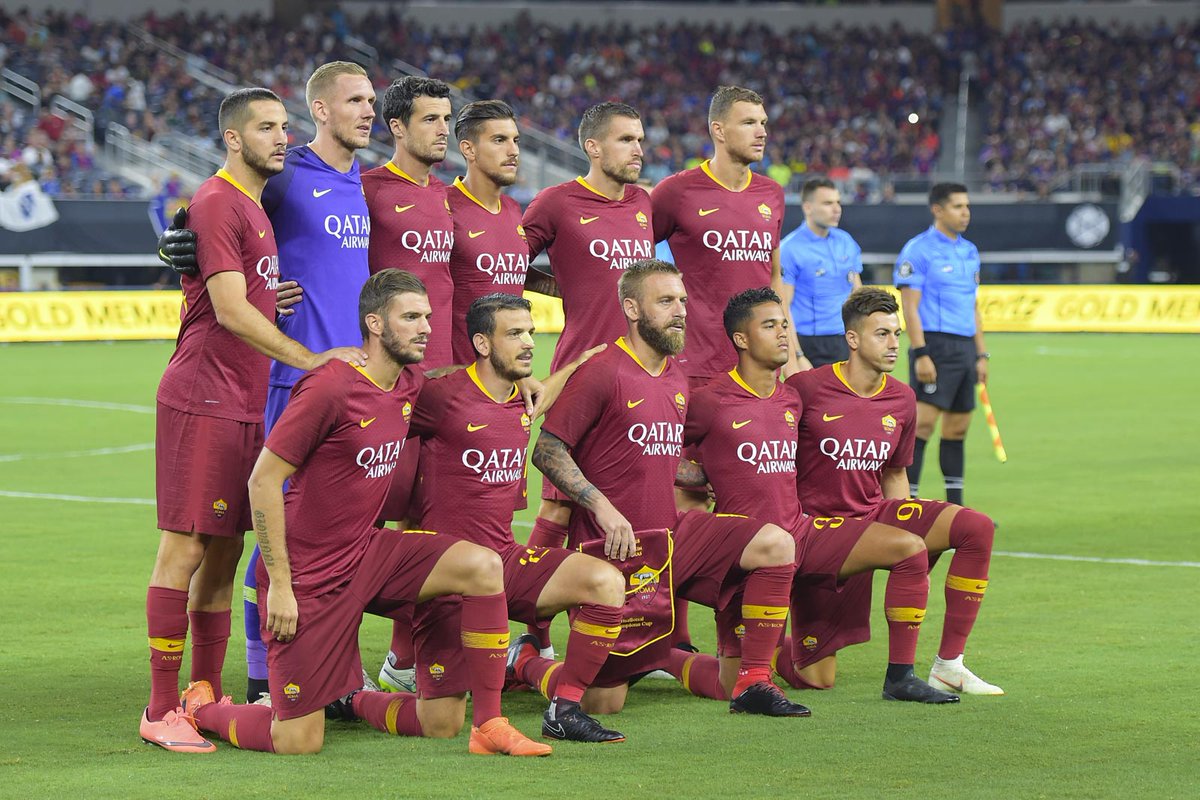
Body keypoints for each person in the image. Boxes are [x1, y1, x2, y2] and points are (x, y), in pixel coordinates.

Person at [177, 269, 550, 757]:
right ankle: (201, 708)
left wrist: (523, 377)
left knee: (481, 566)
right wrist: (282, 585)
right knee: (297, 742)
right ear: (375, 323)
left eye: (427, 318)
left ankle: (489, 724)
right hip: (310, 575)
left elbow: (453, 380)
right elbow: (262, 480)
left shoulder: (409, 383)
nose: (425, 328)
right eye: (411, 317)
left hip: (371, 553)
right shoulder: (331, 387)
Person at [142, 87, 367, 753]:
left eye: (284, 126)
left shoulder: (254, 207)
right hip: (203, 395)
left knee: (224, 550)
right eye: (266, 128)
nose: (281, 137)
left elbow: (250, 293)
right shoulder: (217, 201)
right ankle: (160, 709)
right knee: (184, 547)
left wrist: (271, 293)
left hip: (244, 398)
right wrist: (312, 358)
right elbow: (231, 311)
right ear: (234, 138)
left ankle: (203, 692)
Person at [511, 260, 809, 718]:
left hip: (673, 538)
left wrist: (714, 476)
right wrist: (602, 508)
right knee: (603, 702)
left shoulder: (675, 376)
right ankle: (527, 662)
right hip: (612, 549)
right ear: (632, 308)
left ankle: (754, 681)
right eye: (665, 301)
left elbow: (660, 458)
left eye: (683, 301)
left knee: (774, 543)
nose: (680, 311)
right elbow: (547, 450)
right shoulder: (603, 369)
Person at [669, 288, 959, 704]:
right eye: (769, 326)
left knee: (909, 549)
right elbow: (660, 454)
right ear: (742, 339)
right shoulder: (711, 401)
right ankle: (664, 657)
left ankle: (901, 678)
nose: (783, 334)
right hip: (748, 550)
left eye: (785, 324)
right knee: (724, 687)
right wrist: (700, 477)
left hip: (803, 533)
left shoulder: (793, 397)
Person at [406, 293, 626, 743]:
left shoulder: (522, 399)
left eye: (530, 331)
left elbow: (542, 393)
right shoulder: (442, 397)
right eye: (516, 334)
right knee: (441, 726)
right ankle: (350, 699)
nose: (529, 341)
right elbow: (388, 399)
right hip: (446, 577)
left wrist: (578, 363)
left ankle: (562, 707)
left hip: (504, 563)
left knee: (605, 582)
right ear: (483, 344)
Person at [785, 287, 1001, 695]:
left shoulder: (902, 397)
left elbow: (895, 474)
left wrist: (903, 526)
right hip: (821, 531)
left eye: (897, 334)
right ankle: (770, 648)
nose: (893, 344)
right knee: (817, 679)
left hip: (873, 518)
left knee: (976, 527)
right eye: (881, 334)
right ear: (852, 339)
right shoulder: (806, 388)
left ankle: (944, 665)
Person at [518, 101, 655, 652]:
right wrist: (562, 289)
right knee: (557, 502)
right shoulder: (556, 202)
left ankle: (649, 631)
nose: (639, 150)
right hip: (581, 373)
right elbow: (504, 263)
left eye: (641, 139)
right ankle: (531, 636)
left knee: (646, 497)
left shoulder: (646, 204)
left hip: (643, 376)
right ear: (593, 148)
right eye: (626, 140)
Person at [650, 85, 794, 384]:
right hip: (697, 368)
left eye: (763, 123)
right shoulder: (676, 192)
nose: (762, 132)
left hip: (762, 367)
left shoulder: (772, 194)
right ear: (719, 130)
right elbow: (630, 256)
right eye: (748, 123)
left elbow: (773, 278)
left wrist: (790, 355)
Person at [894, 182, 990, 506]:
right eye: (958, 207)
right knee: (922, 426)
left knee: (958, 428)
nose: (966, 213)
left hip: (965, 347)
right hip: (934, 345)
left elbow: (973, 306)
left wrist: (981, 353)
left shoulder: (970, 250)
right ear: (938, 209)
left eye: (967, 206)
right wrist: (920, 353)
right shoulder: (918, 250)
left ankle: (955, 508)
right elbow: (909, 307)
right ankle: (908, 507)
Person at [362, 76, 456, 370]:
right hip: (391, 366)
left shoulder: (444, 192)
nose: (443, 131)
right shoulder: (367, 190)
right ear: (397, 126)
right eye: (430, 119)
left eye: (446, 119)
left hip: (443, 364)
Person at [445, 100, 531, 366]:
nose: (513, 150)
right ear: (468, 149)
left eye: (515, 140)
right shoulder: (443, 206)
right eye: (499, 140)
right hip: (461, 378)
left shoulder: (514, 209)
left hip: (510, 378)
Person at [778, 177, 864, 367]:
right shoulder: (789, 249)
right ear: (808, 207)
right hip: (810, 343)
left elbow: (857, 293)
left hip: (845, 340)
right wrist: (797, 355)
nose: (837, 209)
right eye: (827, 203)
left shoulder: (846, 241)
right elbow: (783, 308)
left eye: (838, 202)